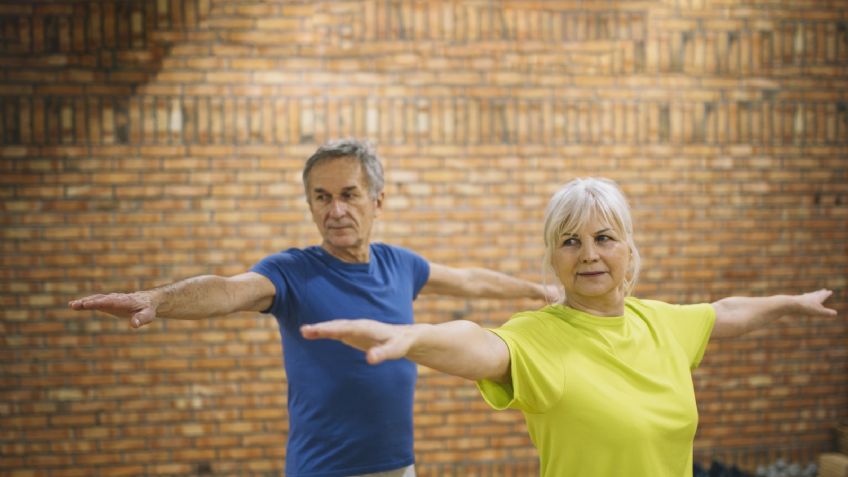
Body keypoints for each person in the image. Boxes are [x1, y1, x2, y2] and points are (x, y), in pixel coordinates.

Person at [68, 139, 551, 477]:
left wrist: (539, 292)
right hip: (323, 470)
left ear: (377, 201)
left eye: (347, 195)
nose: (334, 210)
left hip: (399, 466)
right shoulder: (291, 272)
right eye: (321, 198)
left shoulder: (400, 265)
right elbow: (228, 289)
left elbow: (468, 279)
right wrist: (157, 300)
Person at [301, 177, 838, 477]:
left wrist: (791, 302)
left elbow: (725, 313)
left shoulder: (660, 322)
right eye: (570, 241)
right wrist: (415, 337)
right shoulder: (539, 335)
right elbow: (481, 346)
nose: (589, 255)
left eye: (604, 238)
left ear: (629, 251)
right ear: (553, 260)